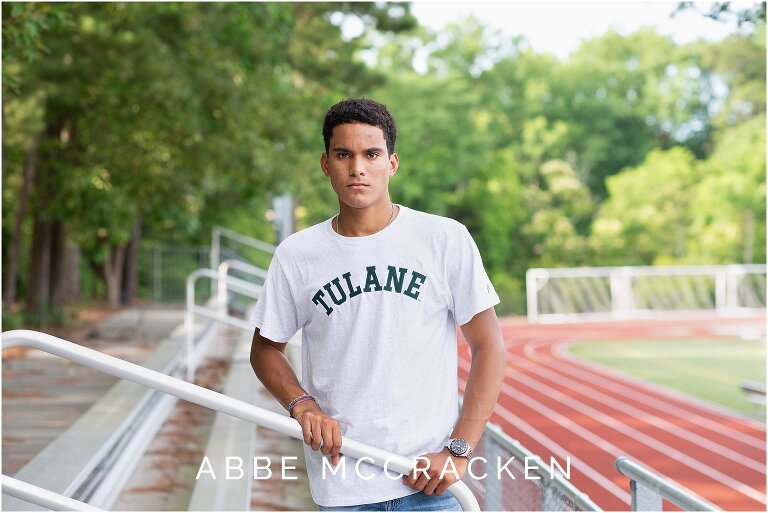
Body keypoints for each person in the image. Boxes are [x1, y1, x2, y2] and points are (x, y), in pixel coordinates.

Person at [250, 98, 506, 511]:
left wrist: (458, 451)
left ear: (392, 163)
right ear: (325, 163)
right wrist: (302, 404)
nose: (357, 168)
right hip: (343, 488)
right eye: (343, 155)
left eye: (371, 154)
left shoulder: (444, 239)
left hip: (429, 486)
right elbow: (265, 349)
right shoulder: (297, 255)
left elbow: (489, 347)